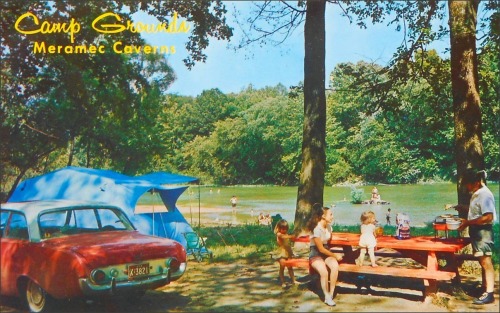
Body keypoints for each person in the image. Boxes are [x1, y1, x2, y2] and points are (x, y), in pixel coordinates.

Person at [454, 169, 497, 305]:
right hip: (477, 231)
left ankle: (490, 293)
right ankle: (485, 288)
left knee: (486, 261)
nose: (467, 187)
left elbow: (488, 217)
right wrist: (464, 208)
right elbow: (478, 211)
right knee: (481, 260)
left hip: (483, 232)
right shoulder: (477, 194)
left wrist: (468, 222)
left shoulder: (485, 195)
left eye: (468, 184)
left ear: (477, 182)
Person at [307, 204, 341, 306]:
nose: (332, 216)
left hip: (326, 251)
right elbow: (320, 249)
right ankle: (326, 295)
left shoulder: (329, 227)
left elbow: (326, 245)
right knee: (324, 272)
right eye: (330, 214)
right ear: (323, 216)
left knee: (335, 266)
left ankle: (331, 294)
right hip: (316, 253)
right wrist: (335, 255)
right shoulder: (316, 229)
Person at [274, 219, 297, 287]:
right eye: (283, 229)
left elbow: (289, 244)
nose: (285, 230)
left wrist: (294, 238)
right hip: (282, 254)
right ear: (279, 228)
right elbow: (283, 237)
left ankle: (293, 280)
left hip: (288, 253)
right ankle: (283, 282)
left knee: (290, 267)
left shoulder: (286, 234)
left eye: (286, 229)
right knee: (282, 267)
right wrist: (291, 236)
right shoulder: (279, 234)